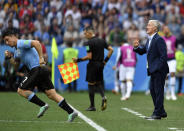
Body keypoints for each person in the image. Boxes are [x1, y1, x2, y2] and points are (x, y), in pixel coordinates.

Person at [2, 28, 78, 122]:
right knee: (51, 94)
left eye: (7, 39)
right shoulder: (17, 51)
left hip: (36, 69)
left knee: (21, 90)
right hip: (41, 70)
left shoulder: (20, 42)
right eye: (5, 41)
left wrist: (41, 57)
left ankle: (43, 105)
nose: (6, 42)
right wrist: (10, 57)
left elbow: (36, 43)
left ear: (13, 36)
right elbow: (16, 66)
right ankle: (71, 112)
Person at [133, 20, 169, 120]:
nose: (147, 26)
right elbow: (142, 51)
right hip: (153, 70)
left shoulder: (159, 39)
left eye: (149, 25)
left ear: (155, 28)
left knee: (158, 91)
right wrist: (136, 47)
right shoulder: (150, 39)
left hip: (158, 70)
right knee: (153, 90)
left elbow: (163, 56)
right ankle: (161, 111)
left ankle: (157, 113)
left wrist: (158, 68)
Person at [73, 26, 113, 111]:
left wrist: (78, 60)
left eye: (85, 33)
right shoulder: (102, 40)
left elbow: (89, 56)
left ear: (89, 33)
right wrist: (105, 61)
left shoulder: (88, 43)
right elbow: (111, 50)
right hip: (100, 65)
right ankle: (103, 97)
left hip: (92, 65)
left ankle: (92, 106)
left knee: (91, 84)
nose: (84, 35)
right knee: (98, 83)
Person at [162, 25, 177, 100]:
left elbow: (176, 47)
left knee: (173, 73)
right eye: (164, 29)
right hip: (165, 60)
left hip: (172, 59)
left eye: (167, 29)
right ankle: (167, 92)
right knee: (165, 76)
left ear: (169, 30)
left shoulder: (174, 38)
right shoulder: (161, 39)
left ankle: (173, 93)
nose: (166, 30)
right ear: (163, 31)